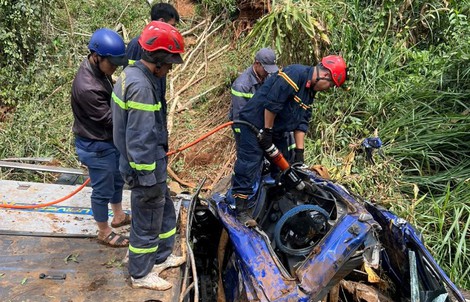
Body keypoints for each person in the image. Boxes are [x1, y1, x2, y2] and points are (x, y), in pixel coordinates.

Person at [229, 55, 348, 227]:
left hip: (275, 131)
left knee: (285, 166)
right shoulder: (294, 74)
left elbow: (302, 122)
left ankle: (277, 203)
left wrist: (299, 155)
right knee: (248, 165)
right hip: (254, 125)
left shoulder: (309, 92)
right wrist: (266, 133)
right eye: (330, 85)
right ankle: (240, 211)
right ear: (325, 75)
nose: (328, 88)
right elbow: (272, 104)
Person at [112, 21, 186, 291]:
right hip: (145, 167)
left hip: (150, 163)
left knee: (163, 211)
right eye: (169, 64)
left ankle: (160, 258)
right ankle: (141, 274)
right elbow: (140, 137)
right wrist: (146, 176)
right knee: (146, 221)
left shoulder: (132, 75)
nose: (169, 69)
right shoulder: (141, 86)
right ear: (157, 60)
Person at [71, 28, 130, 247]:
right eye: (112, 63)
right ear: (97, 57)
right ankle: (104, 232)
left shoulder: (100, 72)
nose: (114, 68)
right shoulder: (87, 87)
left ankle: (119, 217)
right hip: (95, 146)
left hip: (106, 141)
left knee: (116, 179)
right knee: (102, 189)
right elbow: (111, 119)